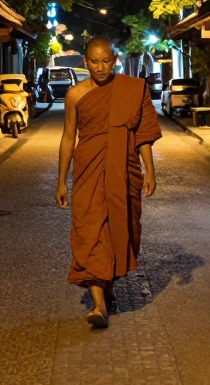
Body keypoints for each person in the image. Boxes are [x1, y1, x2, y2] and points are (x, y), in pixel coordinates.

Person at [56, 37, 162, 328]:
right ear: (85, 62)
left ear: (114, 60)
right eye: (95, 61)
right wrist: (61, 181)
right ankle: (98, 304)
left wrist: (149, 170)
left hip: (123, 172)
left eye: (106, 61)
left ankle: (108, 287)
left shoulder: (131, 89)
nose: (101, 67)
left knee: (118, 229)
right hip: (88, 171)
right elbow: (68, 138)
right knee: (89, 230)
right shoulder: (76, 95)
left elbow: (143, 135)